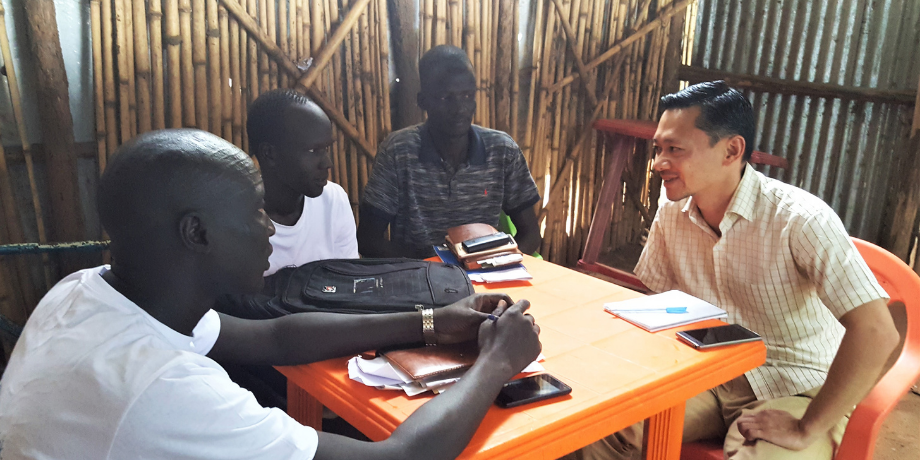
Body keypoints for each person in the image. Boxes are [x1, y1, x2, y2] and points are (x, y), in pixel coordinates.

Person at [0, 129, 542, 460]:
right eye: (253, 212)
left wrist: (432, 321)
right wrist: (496, 361)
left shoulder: (84, 292)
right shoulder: (165, 392)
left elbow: (275, 336)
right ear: (197, 233)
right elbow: (401, 457)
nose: (268, 228)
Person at [565, 81, 898, 460]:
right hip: (706, 374)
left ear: (731, 150)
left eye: (674, 149)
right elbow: (658, 305)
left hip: (794, 383)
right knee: (593, 429)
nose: (657, 162)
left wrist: (807, 427)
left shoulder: (800, 220)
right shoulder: (672, 212)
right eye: (658, 149)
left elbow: (876, 332)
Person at [358, 44, 542, 259]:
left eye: (467, 96)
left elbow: (531, 235)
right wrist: (433, 270)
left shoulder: (502, 151)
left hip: (483, 277)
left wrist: (499, 264)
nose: (459, 108)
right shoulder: (398, 152)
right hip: (420, 277)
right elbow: (368, 240)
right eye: (446, 98)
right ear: (423, 101)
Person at [247, 89, 358, 276]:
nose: (328, 163)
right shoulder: (236, 218)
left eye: (327, 148)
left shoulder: (333, 201)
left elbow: (347, 283)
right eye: (314, 151)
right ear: (270, 154)